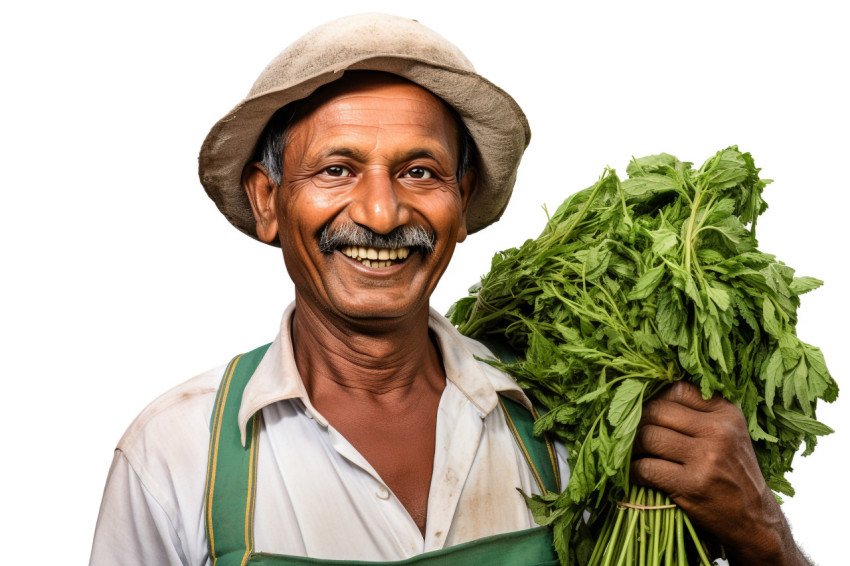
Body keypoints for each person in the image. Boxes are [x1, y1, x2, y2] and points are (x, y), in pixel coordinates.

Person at [90, 14, 809, 566]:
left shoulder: (569, 425)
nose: (381, 212)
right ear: (269, 200)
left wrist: (763, 536)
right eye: (337, 169)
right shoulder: (174, 457)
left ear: (462, 201)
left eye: (420, 172)